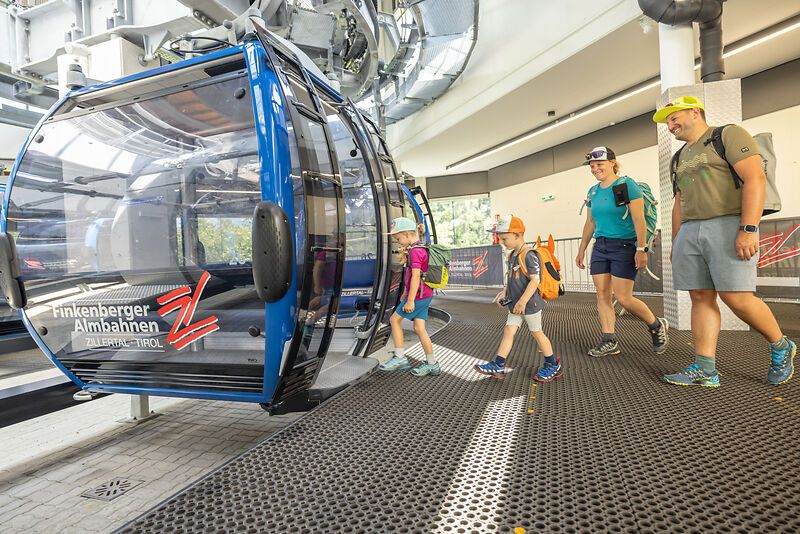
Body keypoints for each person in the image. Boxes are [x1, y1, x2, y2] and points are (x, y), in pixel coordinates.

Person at [654, 95, 796, 387]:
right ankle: (705, 368)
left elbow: (755, 178)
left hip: (729, 223)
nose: (670, 125)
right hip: (690, 230)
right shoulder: (678, 157)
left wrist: (748, 228)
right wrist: (677, 240)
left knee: (736, 297)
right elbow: (679, 200)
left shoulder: (727, 135)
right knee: (700, 296)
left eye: (674, 117)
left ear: (695, 112)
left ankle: (781, 345)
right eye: (667, 121)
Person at [575, 146, 669, 358]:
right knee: (602, 294)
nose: (595, 169)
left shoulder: (625, 185)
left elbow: (638, 218)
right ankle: (609, 340)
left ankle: (656, 325)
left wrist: (641, 249)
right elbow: (590, 223)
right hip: (601, 246)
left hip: (624, 246)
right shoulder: (593, 191)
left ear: (612, 163)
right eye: (592, 166)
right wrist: (581, 249)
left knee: (624, 298)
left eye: (599, 164)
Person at [474, 215, 560, 382]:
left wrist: (523, 301)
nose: (501, 242)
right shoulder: (513, 255)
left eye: (504, 239)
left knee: (537, 333)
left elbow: (535, 280)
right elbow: (512, 277)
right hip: (516, 304)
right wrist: (504, 292)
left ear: (517, 235)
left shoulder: (529, 255)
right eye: (500, 239)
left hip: (529, 304)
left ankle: (552, 365)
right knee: (509, 330)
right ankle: (498, 364)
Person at [379, 216, 441, 376]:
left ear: (407, 234)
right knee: (419, 328)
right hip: (425, 294)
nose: (398, 242)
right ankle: (432, 364)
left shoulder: (415, 251)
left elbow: (416, 276)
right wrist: (406, 293)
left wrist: (410, 300)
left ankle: (400, 357)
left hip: (418, 296)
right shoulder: (419, 248)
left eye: (398, 238)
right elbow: (414, 276)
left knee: (394, 320)